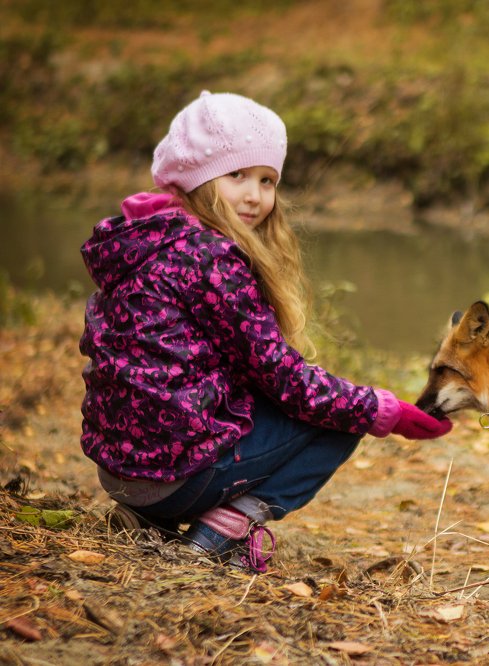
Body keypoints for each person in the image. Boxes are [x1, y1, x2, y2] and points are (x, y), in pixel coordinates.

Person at [79, 91, 452, 573]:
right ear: (196, 178)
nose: (255, 195)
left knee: (296, 401)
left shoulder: (141, 244)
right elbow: (286, 380)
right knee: (343, 420)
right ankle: (226, 527)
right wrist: (383, 410)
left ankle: (150, 520)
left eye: (267, 180)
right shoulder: (210, 257)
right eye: (237, 175)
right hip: (174, 477)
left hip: (120, 472)